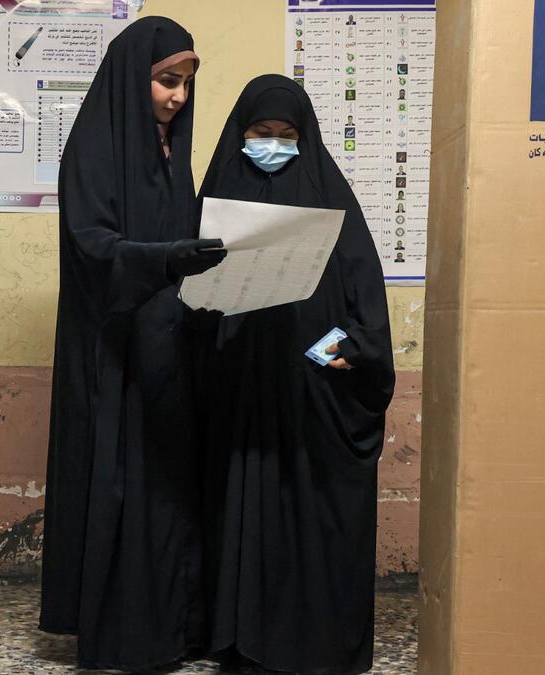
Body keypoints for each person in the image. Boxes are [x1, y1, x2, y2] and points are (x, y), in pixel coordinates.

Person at [39, 16, 225, 671]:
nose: (177, 95)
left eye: (186, 83)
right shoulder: (93, 146)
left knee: (166, 484)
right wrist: (169, 256)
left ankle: (172, 623)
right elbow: (93, 247)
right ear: (132, 77)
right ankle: (122, 630)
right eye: (165, 80)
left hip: (166, 344)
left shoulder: (169, 152)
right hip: (112, 348)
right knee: (122, 481)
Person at [195, 74, 394, 674]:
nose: (274, 145)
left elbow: (364, 303)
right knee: (238, 508)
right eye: (262, 133)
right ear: (241, 135)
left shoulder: (329, 196)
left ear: (306, 138)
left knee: (310, 510)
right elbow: (184, 292)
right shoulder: (219, 196)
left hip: (314, 390)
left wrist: (338, 349)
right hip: (239, 394)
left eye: (287, 135)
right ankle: (237, 635)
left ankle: (310, 636)